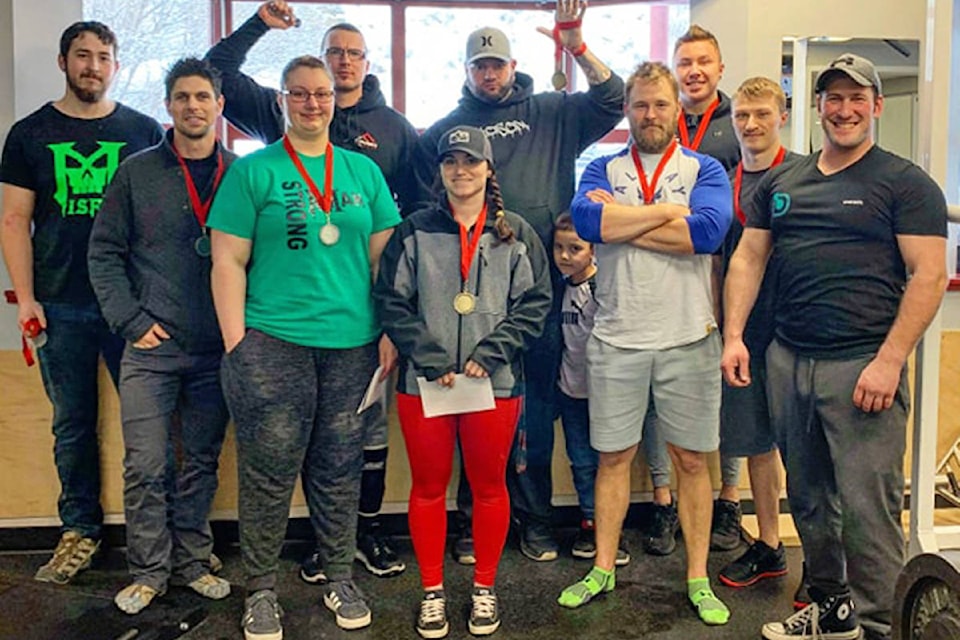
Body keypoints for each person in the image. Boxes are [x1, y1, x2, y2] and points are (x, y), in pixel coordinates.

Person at [722, 53, 947, 640]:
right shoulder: (782, 182)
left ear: (875, 106)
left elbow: (927, 275)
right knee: (812, 501)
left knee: (868, 515)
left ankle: (881, 627)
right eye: (832, 98)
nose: (843, 110)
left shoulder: (904, 182)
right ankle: (832, 609)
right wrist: (735, 336)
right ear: (817, 107)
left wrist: (890, 361)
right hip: (789, 361)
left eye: (856, 98)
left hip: (863, 367)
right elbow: (748, 257)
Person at [204, 0, 415, 580]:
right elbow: (227, 260)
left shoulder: (363, 171)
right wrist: (236, 344)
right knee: (269, 472)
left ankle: (341, 579)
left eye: (321, 93)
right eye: (299, 93)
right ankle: (262, 588)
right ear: (283, 101)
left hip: (352, 344)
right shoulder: (255, 170)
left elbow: (384, 262)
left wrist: (391, 331)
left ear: (338, 94)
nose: (313, 102)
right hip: (272, 341)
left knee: (340, 468)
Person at [414, 0, 625, 563]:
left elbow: (612, 98)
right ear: (466, 71)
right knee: (467, 406)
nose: (489, 73)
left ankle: (533, 520)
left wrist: (577, 44)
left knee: (532, 410)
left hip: (543, 293)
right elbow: (417, 201)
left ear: (512, 67)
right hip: (468, 301)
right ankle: (470, 522)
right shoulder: (446, 132)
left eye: (497, 64)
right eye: (479, 65)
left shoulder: (553, 111)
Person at [557, 61, 732, 627]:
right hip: (617, 338)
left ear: (676, 108)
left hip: (688, 338)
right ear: (626, 111)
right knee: (613, 459)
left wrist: (622, 219)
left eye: (660, 104)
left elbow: (707, 231)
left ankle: (698, 577)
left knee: (690, 462)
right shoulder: (599, 165)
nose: (650, 114)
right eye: (639, 105)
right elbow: (587, 224)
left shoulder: (702, 167)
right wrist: (663, 212)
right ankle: (603, 568)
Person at [0, 21, 163, 585]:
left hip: (133, 307)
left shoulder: (143, 131)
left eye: (103, 57)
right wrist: (26, 300)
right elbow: (15, 219)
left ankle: (168, 539)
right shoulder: (29, 133)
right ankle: (80, 531)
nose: (92, 66)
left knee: (152, 425)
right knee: (71, 425)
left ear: (116, 65)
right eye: (82, 56)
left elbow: (160, 224)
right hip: (60, 303)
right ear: (64, 62)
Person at [375, 125, 551, 638]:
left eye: (471, 162)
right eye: (451, 162)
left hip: (491, 384)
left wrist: (491, 352)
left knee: (490, 487)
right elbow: (391, 300)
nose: (460, 171)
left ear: (488, 169)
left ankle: (484, 588)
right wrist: (428, 355)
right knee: (428, 488)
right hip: (425, 382)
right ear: (440, 170)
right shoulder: (414, 231)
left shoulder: (514, 232)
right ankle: (432, 591)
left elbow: (535, 303)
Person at [86, 57, 234, 614]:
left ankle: (192, 561)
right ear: (168, 106)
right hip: (150, 348)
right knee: (146, 464)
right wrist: (130, 320)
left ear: (220, 106)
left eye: (203, 97)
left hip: (217, 349)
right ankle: (149, 570)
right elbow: (103, 253)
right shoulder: (136, 172)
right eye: (182, 97)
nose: (193, 106)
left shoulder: (243, 174)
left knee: (199, 461)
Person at [642, 23, 743, 557]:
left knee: (720, 388)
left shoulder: (737, 123)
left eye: (704, 62)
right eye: (685, 63)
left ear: (719, 68)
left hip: (729, 272)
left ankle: (728, 499)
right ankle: (662, 504)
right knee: (662, 391)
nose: (694, 71)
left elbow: (718, 222)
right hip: (667, 269)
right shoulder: (659, 121)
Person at [713, 76, 800, 591]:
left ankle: (825, 570)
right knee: (756, 444)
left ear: (781, 116)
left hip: (794, 329)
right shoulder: (723, 184)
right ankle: (769, 545)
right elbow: (720, 260)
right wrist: (724, 329)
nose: (751, 124)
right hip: (741, 331)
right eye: (743, 114)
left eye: (762, 113)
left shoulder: (805, 176)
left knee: (802, 448)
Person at [552, 212, 628, 566]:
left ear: (594, 250)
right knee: (580, 460)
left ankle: (612, 530)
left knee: (609, 463)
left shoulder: (605, 289)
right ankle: (589, 520)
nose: (565, 256)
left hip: (606, 393)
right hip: (571, 391)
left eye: (575, 249)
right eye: (559, 248)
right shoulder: (557, 288)